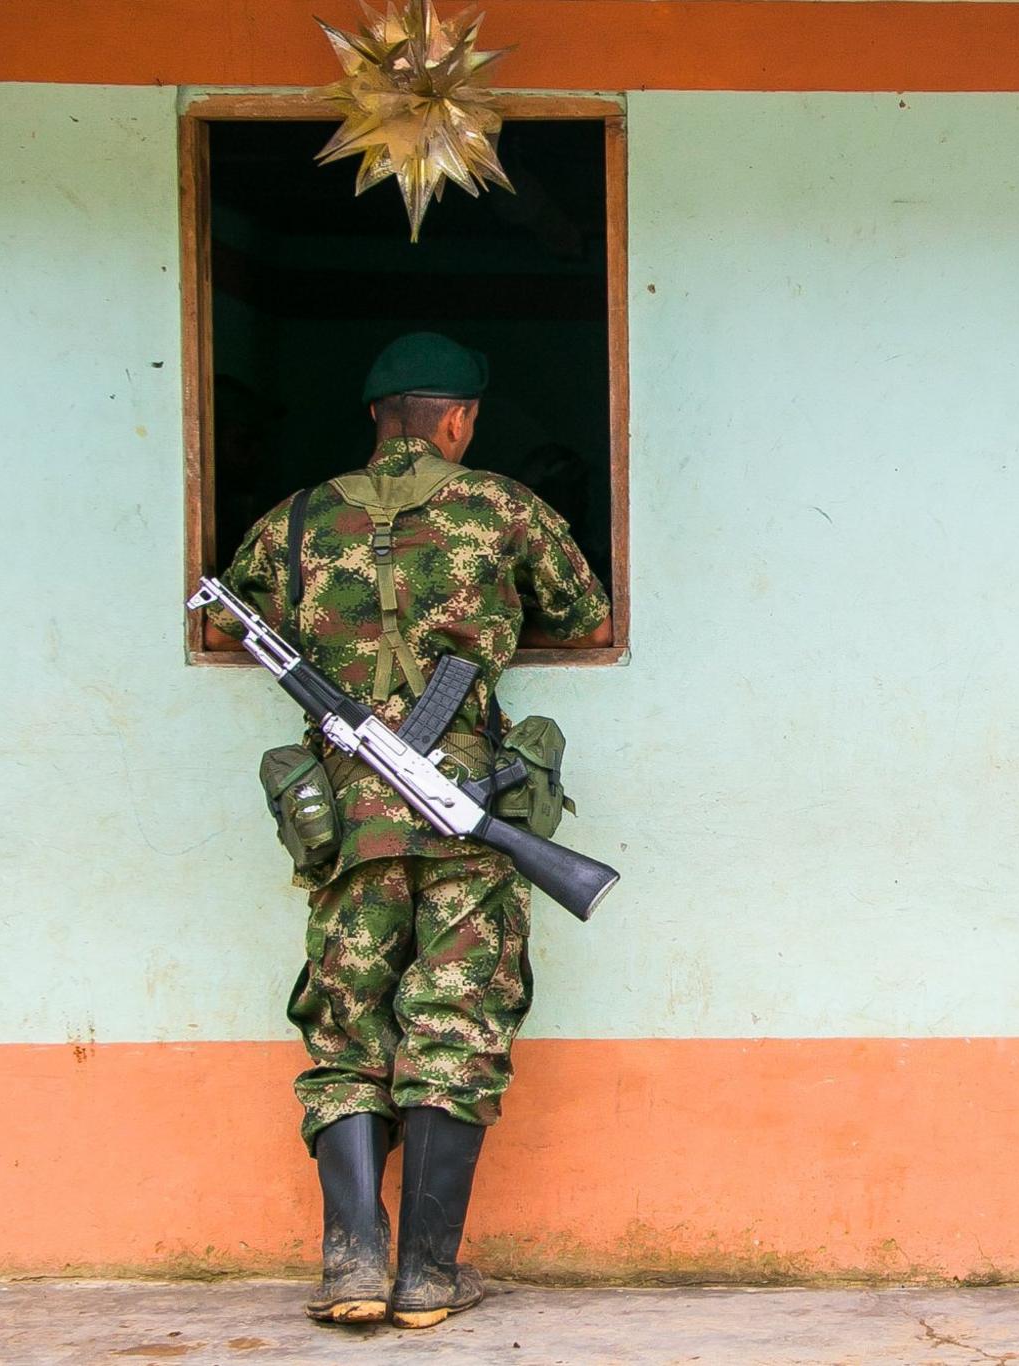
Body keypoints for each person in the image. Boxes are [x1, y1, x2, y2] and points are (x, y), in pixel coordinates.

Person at [203, 332, 612, 1329]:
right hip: (468, 812)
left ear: (375, 417)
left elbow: (228, 620)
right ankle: (425, 1276)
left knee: (347, 1033)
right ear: (460, 419)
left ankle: (350, 1268)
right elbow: (585, 610)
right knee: (455, 1028)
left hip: (349, 820)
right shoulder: (505, 508)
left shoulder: (297, 520)